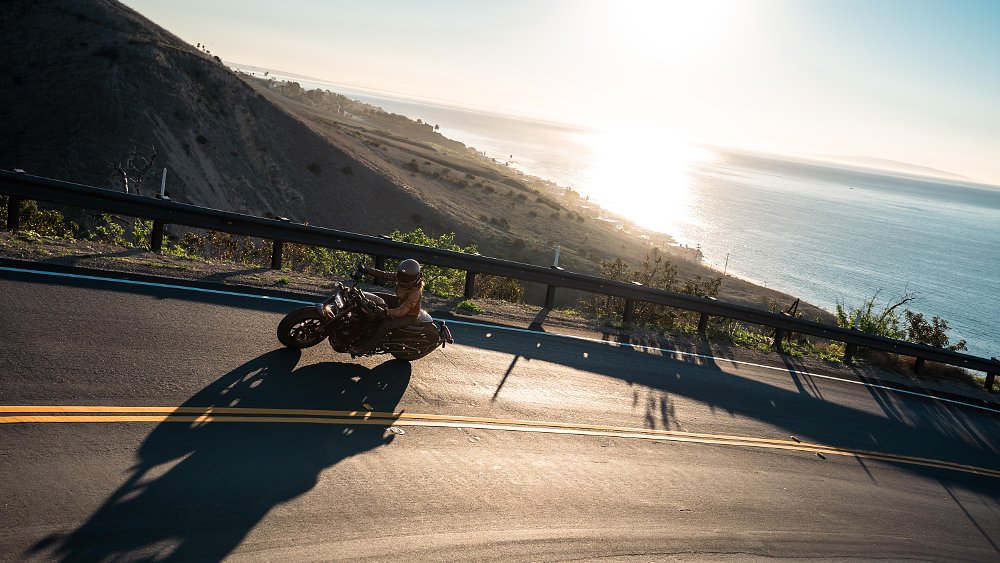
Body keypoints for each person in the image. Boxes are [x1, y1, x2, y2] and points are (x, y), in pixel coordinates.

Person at [351, 259, 424, 355]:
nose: (403, 278)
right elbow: (383, 275)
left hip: (408, 315)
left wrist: (384, 311)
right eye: (402, 275)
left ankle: (365, 348)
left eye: (406, 277)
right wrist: (366, 270)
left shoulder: (415, 293)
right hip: (398, 302)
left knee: (385, 324)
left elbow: (402, 311)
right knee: (371, 296)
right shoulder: (400, 277)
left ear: (414, 278)